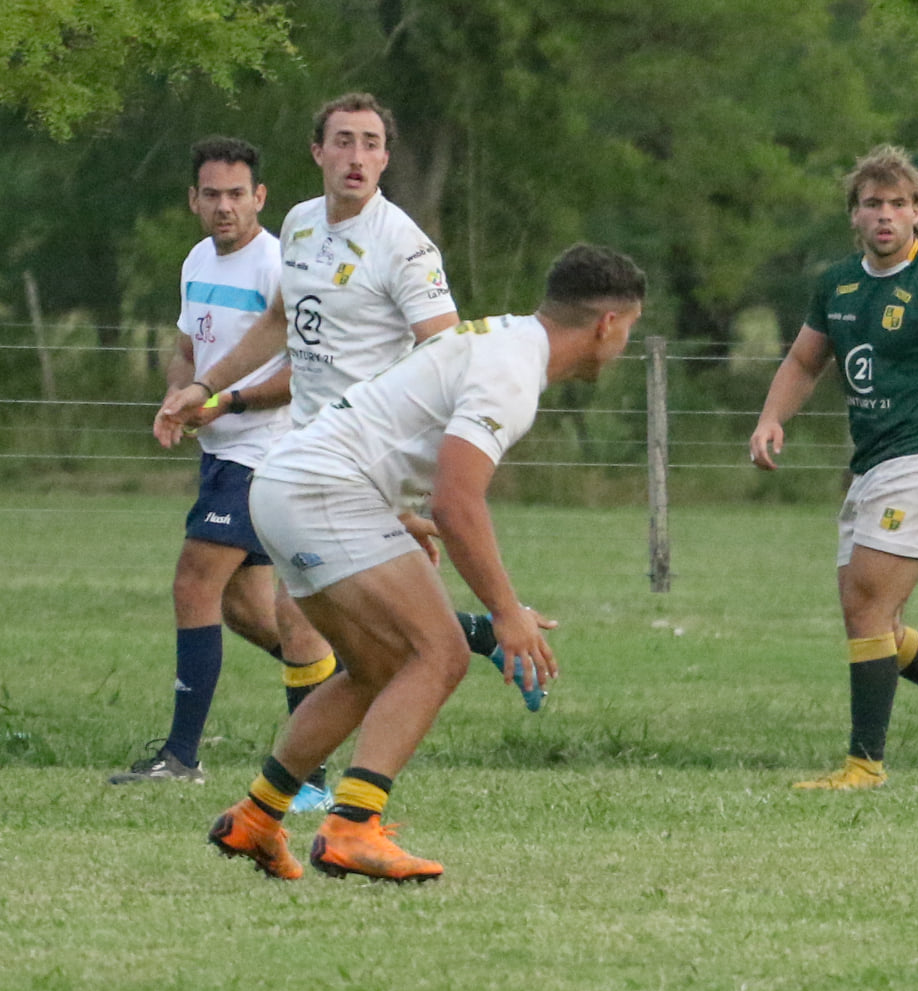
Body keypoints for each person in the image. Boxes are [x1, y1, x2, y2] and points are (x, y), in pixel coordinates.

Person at [209, 243, 644, 881]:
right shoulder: (514, 375)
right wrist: (506, 614)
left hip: (290, 484)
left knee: (375, 667)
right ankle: (352, 828)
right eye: (629, 330)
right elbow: (459, 502)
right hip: (324, 491)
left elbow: (396, 427)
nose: (625, 345)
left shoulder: (502, 339)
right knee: (437, 653)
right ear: (607, 323)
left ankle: (256, 817)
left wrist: (395, 510)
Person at [156, 94, 518, 706]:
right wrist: (203, 385)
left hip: (370, 448)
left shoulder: (404, 246)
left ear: (385, 160)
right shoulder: (299, 222)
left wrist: (429, 464)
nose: (357, 156)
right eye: (344, 140)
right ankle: (474, 634)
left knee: (300, 612)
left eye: (371, 144)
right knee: (324, 611)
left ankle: (310, 783)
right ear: (318, 151)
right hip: (305, 443)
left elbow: (450, 357)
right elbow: (279, 320)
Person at [748, 145, 918, 791]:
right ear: (854, 215)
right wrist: (771, 418)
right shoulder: (838, 284)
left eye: (898, 203)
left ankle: (864, 764)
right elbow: (802, 362)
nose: (885, 215)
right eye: (872, 203)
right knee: (868, 615)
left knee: (869, 604)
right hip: (873, 465)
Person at [107, 138, 327, 799]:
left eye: (238, 194)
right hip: (221, 450)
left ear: (260, 197)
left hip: (263, 452)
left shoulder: (276, 267)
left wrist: (220, 399)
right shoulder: (198, 259)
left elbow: (302, 373)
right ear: (193, 200)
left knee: (192, 583)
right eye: (213, 194)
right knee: (246, 609)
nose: (224, 206)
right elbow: (185, 349)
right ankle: (344, 682)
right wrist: (179, 393)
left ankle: (181, 755)